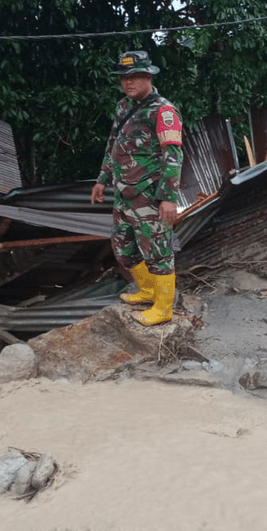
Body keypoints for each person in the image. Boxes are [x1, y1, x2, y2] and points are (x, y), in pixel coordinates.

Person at [90, 50, 183, 326]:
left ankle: (164, 307)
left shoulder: (163, 111)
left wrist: (168, 197)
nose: (128, 83)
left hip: (149, 196)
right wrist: (102, 179)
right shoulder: (123, 107)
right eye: (123, 78)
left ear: (149, 76)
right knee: (123, 248)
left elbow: (174, 154)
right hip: (124, 194)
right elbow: (113, 145)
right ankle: (148, 290)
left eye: (134, 77)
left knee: (158, 252)